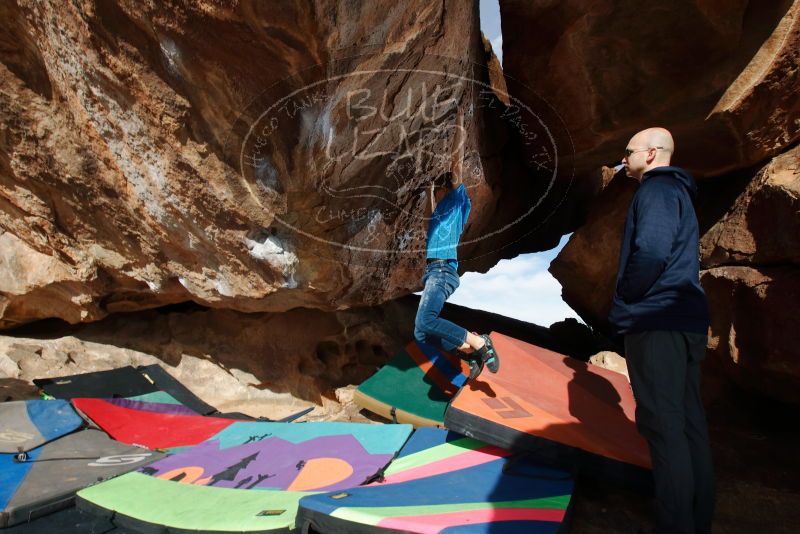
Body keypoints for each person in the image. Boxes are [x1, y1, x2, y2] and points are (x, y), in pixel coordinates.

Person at [609, 127, 714, 534]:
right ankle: (697, 519)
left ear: (651, 154)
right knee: (689, 424)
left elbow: (651, 251)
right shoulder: (681, 193)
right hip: (685, 321)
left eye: (629, 150)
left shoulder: (654, 190)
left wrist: (627, 299)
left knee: (663, 425)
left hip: (656, 321)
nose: (623, 155)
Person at [413, 112, 500, 380]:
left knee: (427, 320)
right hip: (432, 273)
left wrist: (459, 126)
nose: (440, 189)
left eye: (442, 185)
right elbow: (428, 214)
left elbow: (456, 162)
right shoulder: (438, 216)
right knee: (420, 332)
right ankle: (467, 351)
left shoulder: (457, 203)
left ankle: (480, 343)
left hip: (443, 272)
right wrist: (427, 189)